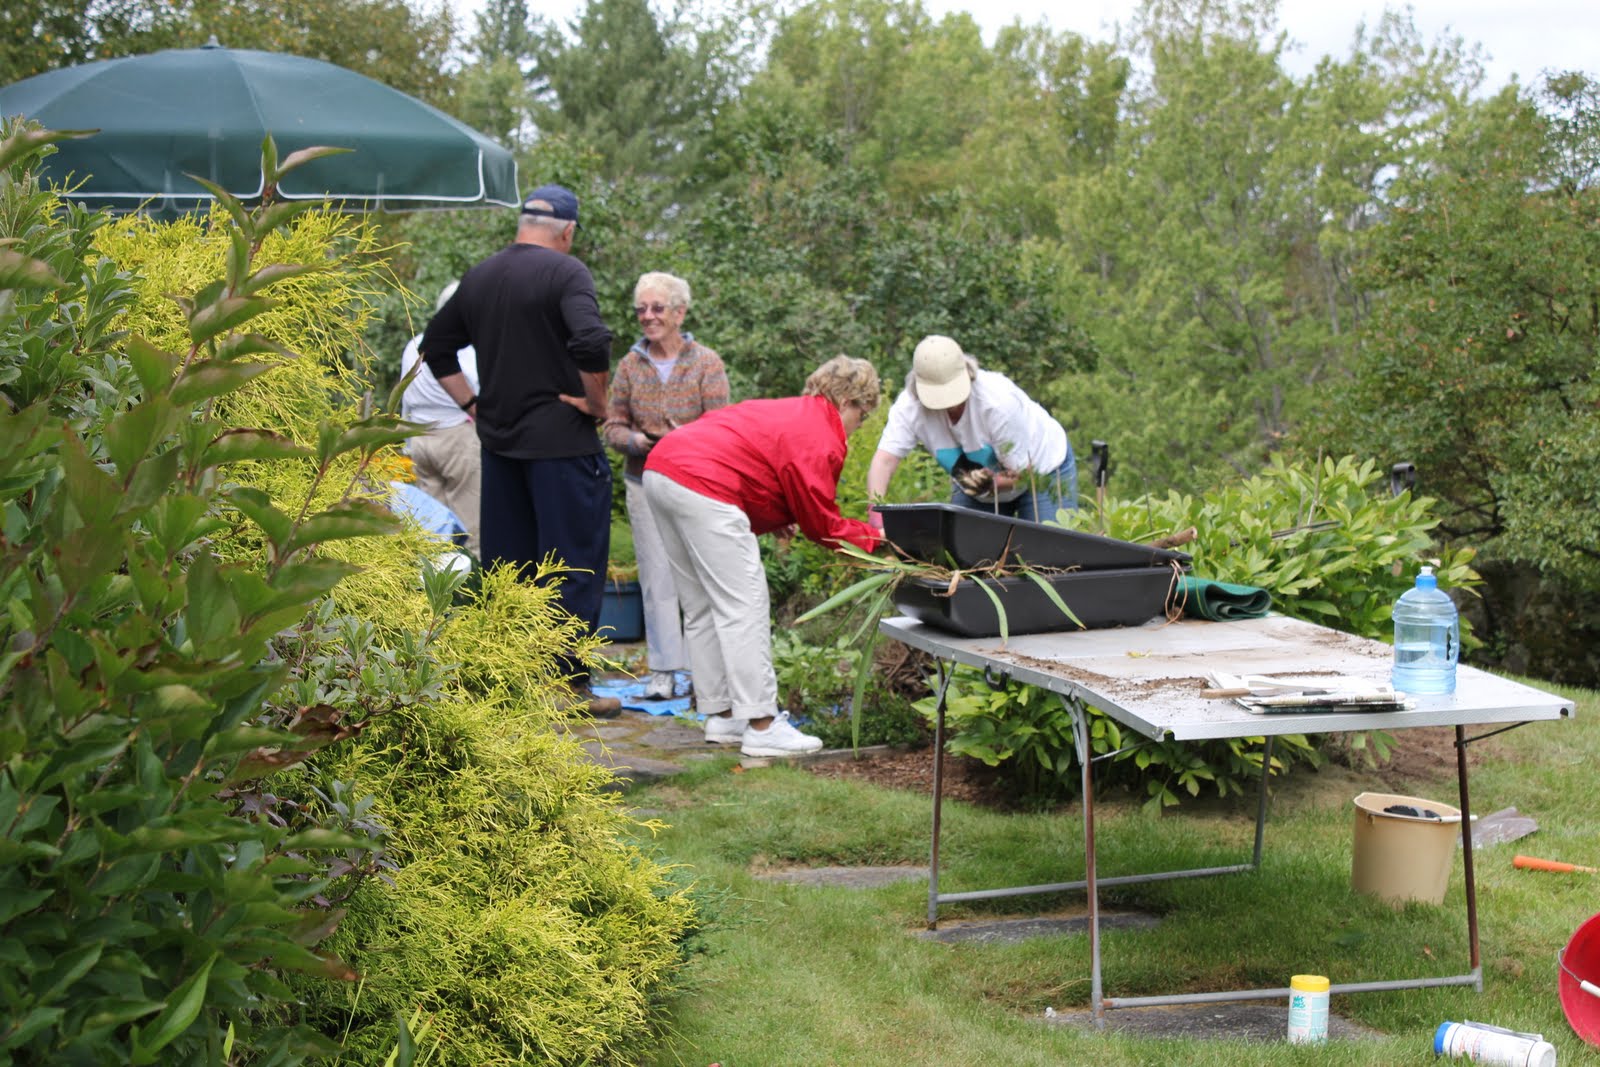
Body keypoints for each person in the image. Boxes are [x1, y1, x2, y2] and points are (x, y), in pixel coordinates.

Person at [419, 183, 622, 717]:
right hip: (561, 445)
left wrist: (474, 405)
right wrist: (597, 402)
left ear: (522, 224)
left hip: (500, 447)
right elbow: (592, 340)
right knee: (572, 564)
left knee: (511, 566)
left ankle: (513, 681)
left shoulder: (481, 276)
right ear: (569, 231)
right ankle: (565, 686)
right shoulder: (566, 273)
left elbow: (435, 346)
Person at [642, 356, 882, 757]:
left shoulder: (788, 411)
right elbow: (821, 523)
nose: (859, 425)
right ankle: (763, 725)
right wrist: (876, 540)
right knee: (744, 605)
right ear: (849, 401)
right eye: (864, 414)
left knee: (700, 606)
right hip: (701, 483)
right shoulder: (822, 430)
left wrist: (773, 515)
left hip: (662, 469)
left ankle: (722, 716)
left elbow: (753, 466)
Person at [602, 271, 730, 700]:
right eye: (641, 308)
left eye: (657, 308)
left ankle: (701, 672)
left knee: (697, 573)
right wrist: (636, 440)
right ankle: (663, 671)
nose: (648, 316)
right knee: (656, 578)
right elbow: (612, 426)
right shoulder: (629, 364)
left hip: (695, 483)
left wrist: (684, 437)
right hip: (643, 480)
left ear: (680, 312)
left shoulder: (706, 362)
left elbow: (722, 427)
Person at [866, 334, 1077, 525]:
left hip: (1040, 470)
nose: (949, 405)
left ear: (967, 373)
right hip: (978, 487)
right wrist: (877, 521)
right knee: (967, 556)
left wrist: (991, 483)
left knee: (1047, 560)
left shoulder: (997, 403)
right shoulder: (910, 407)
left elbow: (1024, 474)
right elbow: (884, 461)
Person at [400, 280, 481, 555]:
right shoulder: (465, 350)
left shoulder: (413, 344)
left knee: (431, 525)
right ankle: (469, 591)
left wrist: (406, 444)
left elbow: (404, 394)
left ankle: (433, 591)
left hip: (420, 437)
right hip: (456, 436)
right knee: (469, 526)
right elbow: (476, 387)